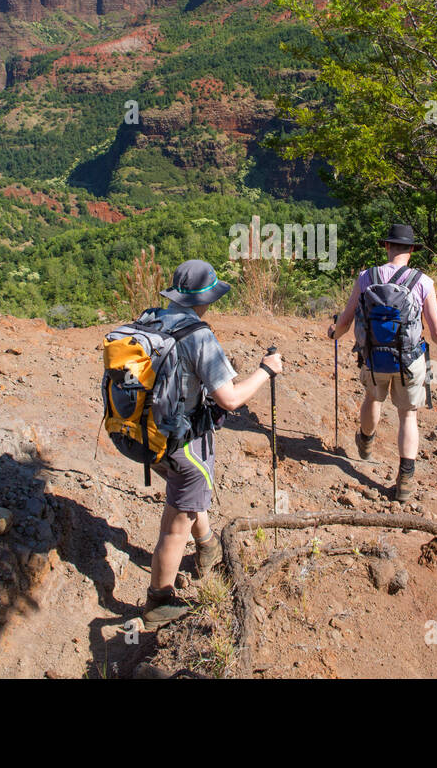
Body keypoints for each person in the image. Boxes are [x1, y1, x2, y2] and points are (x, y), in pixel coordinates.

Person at [139, 260, 284, 629]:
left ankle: (207, 548)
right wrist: (266, 371)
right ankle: (158, 601)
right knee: (177, 522)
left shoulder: (150, 319)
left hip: (144, 435)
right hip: (181, 442)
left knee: (189, 491)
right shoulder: (198, 335)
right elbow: (230, 399)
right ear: (206, 298)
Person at [330, 224, 437, 503]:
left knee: (373, 397)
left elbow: (345, 321)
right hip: (409, 360)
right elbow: (436, 331)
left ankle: (366, 440)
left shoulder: (366, 278)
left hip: (373, 356)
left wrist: (333, 333)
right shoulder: (423, 282)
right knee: (408, 415)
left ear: (387, 247)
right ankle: (405, 480)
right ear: (410, 250)